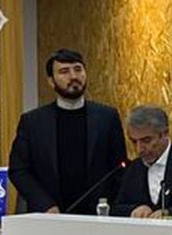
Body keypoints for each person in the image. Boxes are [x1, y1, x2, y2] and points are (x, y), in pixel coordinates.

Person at [7, 49, 126, 214]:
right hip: (49, 215)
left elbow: (120, 168)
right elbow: (18, 170)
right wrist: (45, 205)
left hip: (98, 216)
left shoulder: (107, 117)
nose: (73, 76)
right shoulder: (33, 122)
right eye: (64, 71)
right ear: (51, 81)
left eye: (78, 69)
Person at [115, 105, 172, 220]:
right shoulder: (134, 168)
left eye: (146, 140)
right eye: (134, 142)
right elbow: (117, 207)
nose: (139, 149)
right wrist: (134, 210)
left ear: (165, 134)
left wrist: (170, 213)